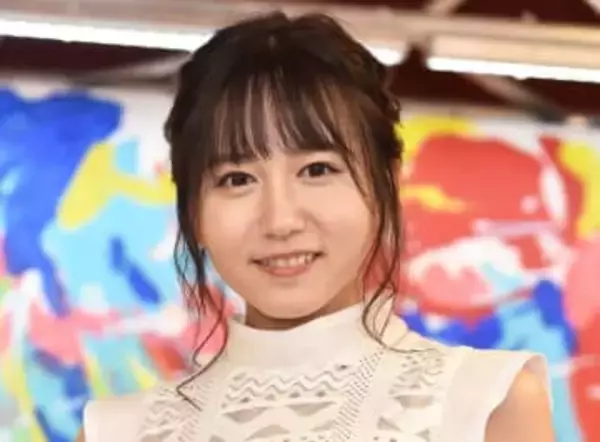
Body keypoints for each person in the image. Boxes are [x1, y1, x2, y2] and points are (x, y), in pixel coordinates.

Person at [77, 11, 554, 442]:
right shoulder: (115, 432)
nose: (281, 220)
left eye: (317, 169)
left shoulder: (487, 404)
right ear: (193, 209)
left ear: (385, 182)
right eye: (237, 179)